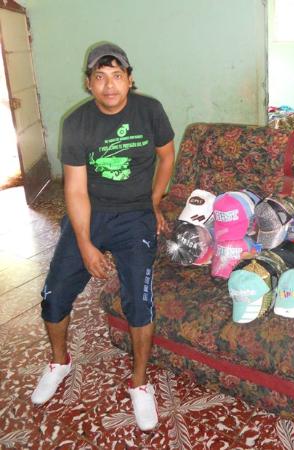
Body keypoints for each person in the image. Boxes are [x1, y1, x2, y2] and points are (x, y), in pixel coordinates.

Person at [31, 42, 175, 432]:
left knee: (140, 303)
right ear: (89, 83)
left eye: (116, 76)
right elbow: (75, 190)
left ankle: (139, 383)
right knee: (54, 295)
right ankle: (59, 362)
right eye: (100, 77)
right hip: (90, 214)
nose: (109, 85)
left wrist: (154, 201)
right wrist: (84, 243)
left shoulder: (150, 111)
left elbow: (166, 156)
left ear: (130, 79)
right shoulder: (77, 123)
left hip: (135, 217)